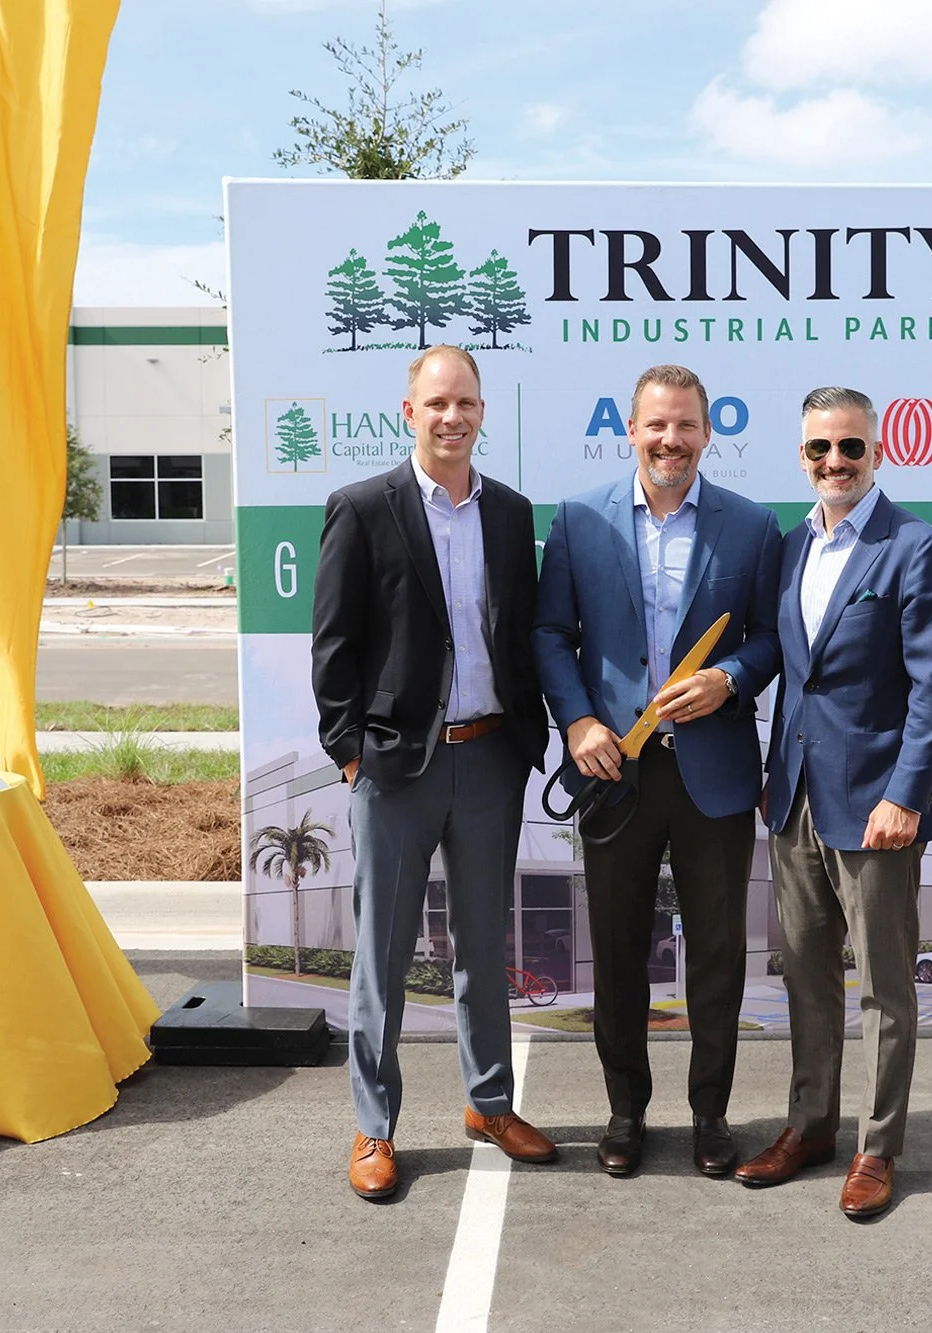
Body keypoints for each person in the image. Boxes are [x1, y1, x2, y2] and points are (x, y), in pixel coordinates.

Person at [311, 345, 557, 1201]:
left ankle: (490, 1103)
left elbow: (519, 634)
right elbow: (334, 648)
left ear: (484, 412)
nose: (453, 416)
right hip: (396, 767)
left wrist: (528, 738)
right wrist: (351, 753)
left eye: (468, 403)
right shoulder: (362, 508)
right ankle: (375, 1127)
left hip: (490, 759)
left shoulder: (513, 513)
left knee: (483, 948)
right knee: (382, 955)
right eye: (437, 403)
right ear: (407, 411)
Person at [533, 364, 783, 1178]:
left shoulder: (752, 527)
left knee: (717, 954)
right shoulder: (578, 521)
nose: (670, 440)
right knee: (617, 951)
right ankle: (625, 1110)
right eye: (655, 426)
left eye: (685, 426)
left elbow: (776, 640)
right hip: (617, 770)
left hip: (712, 772)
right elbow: (549, 636)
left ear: (709, 434)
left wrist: (731, 678)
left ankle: (710, 1114)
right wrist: (576, 721)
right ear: (629, 431)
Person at [734, 385, 932, 1219]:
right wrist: (770, 775)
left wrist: (906, 794)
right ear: (801, 455)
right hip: (793, 801)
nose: (834, 462)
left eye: (850, 448)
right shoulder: (790, 546)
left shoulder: (916, 548)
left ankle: (877, 1147)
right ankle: (809, 1127)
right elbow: (794, 674)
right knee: (804, 979)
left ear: (877, 452)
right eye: (818, 449)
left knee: (886, 991)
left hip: (876, 810)